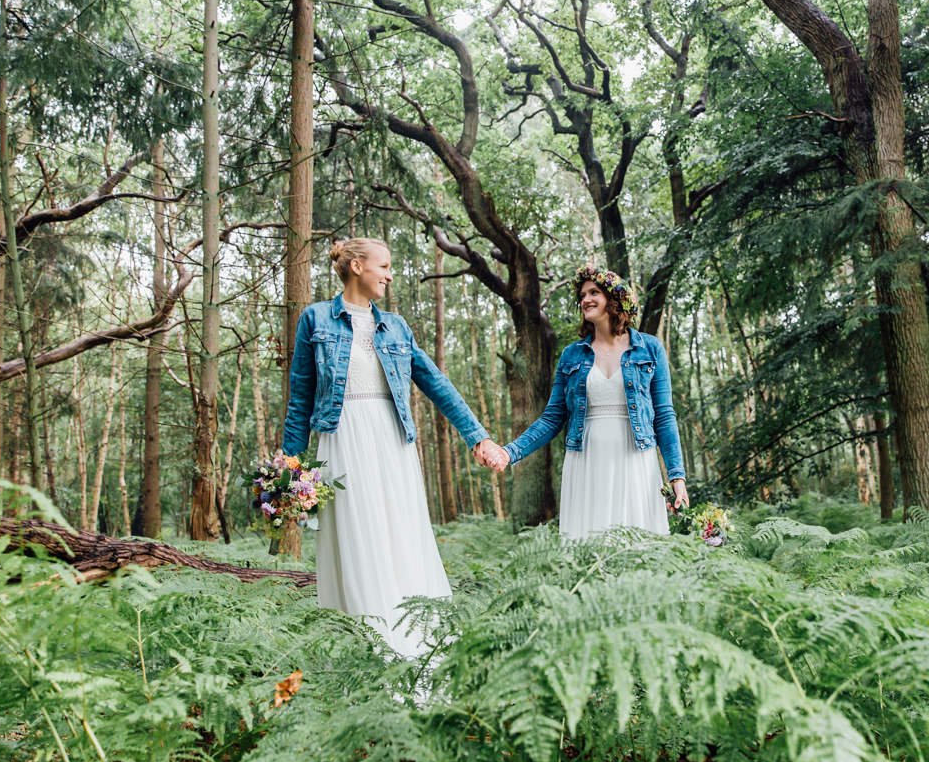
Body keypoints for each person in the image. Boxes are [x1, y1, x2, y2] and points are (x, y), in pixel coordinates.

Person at [282, 237, 503, 656]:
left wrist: (479, 436)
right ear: (355, 266)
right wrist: (289, 475)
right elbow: (300, 400)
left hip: (392, 442)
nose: (388, 274)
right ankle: (369, 646)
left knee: (401, 536)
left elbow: (436, 383)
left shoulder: (397, 327)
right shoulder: (315, 320)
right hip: (342, 442)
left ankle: (417, 643)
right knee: (356, 536)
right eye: (383, 266)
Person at [495, 265, 689, 539]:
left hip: (636, 459)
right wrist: (509, 452)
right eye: (582, 295)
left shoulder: (650, 348)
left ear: (615, 298)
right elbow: (552, 418)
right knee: (588, 545)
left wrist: (676, 477)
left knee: (640, 545)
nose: (585, 299)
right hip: (586, 461)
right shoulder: (571, 355)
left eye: (593, 292)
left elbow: (665, 416)